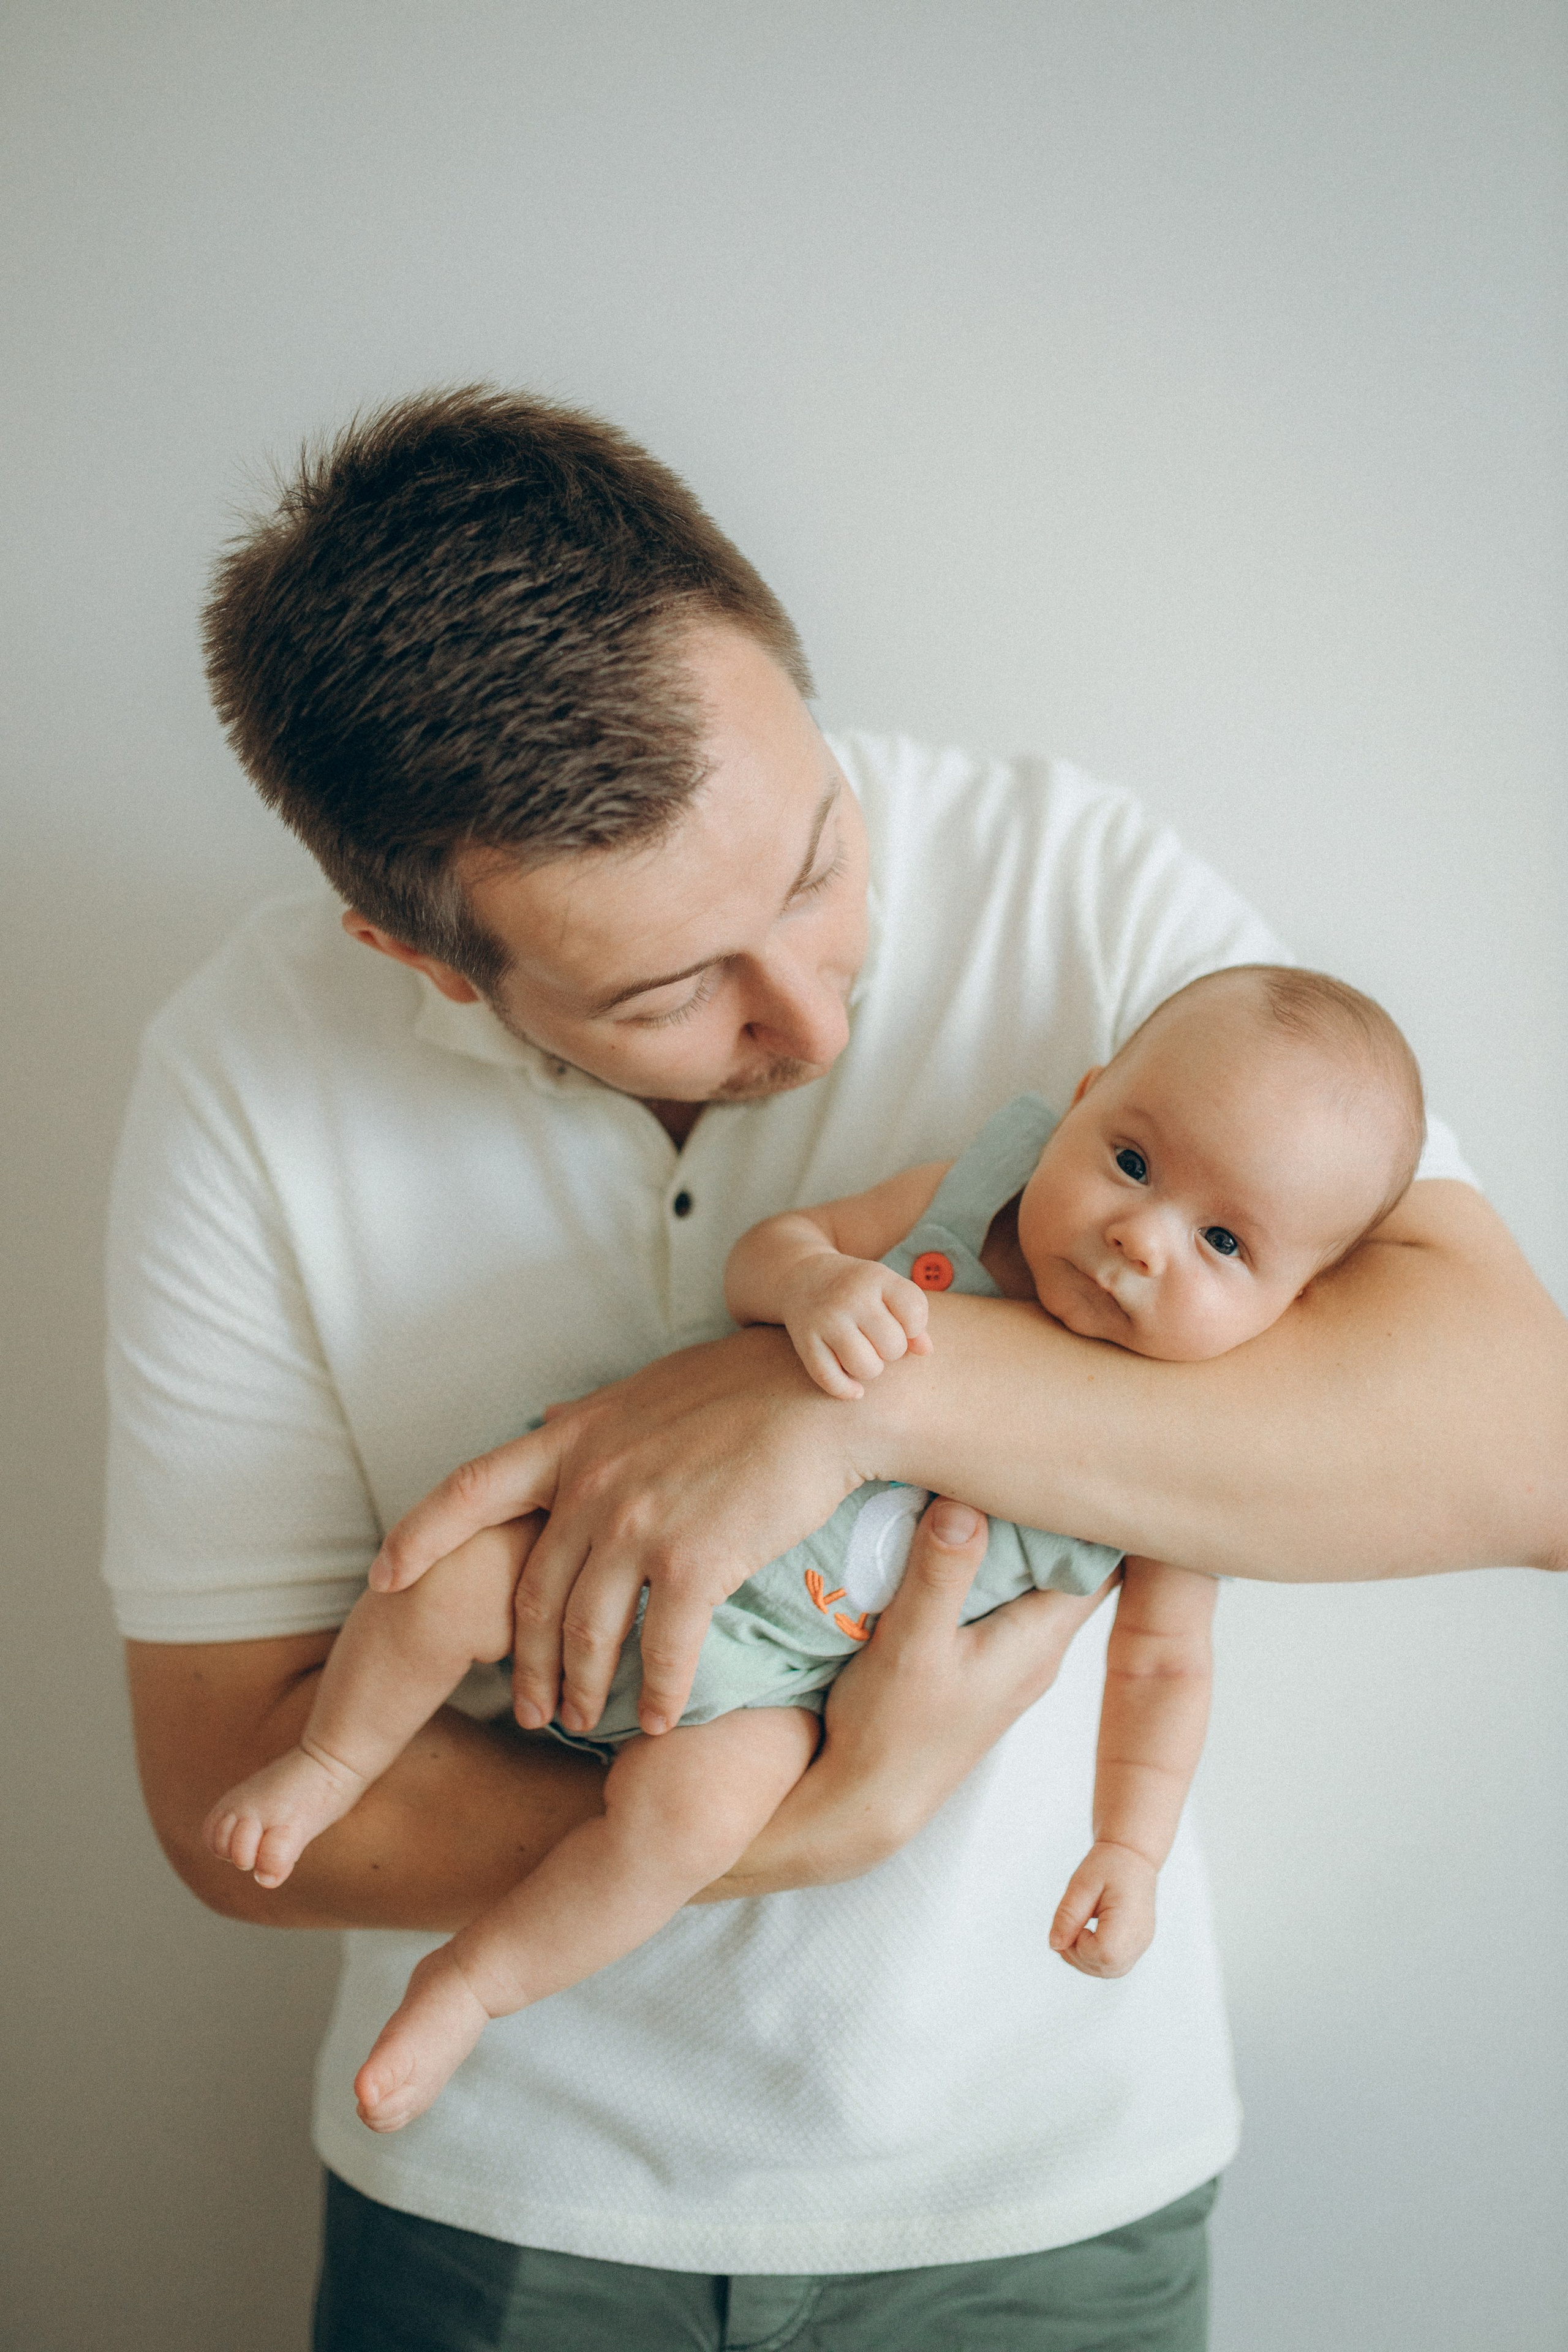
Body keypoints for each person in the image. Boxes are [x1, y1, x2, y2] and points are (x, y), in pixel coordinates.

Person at [111, 388, 1568, 2352]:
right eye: (667, 992)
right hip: (508, 2206)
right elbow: (227, 1788)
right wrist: (832, 1817)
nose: (809, 1018)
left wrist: (864, 1399)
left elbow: (1531, 1450)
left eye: (815, 866)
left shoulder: (1081, 885)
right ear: (430, 963)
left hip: (1036, 2192)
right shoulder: (242, 1073)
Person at [202, 964, 1424, 2144]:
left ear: (1297, 1304)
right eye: (1131, 1162)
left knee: (688, 1830)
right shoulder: (971, 1202)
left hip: (764, 1690)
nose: (1142, 1237)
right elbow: (772, 1249)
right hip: (600, 1547)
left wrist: (1128, 1847)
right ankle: (328, 1759)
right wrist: (812, 1286)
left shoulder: (1181, 1462)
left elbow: (1163, 1667)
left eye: (1224, 1243)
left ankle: (474, 1985)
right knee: (445, 1575)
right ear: (1085, 1099)